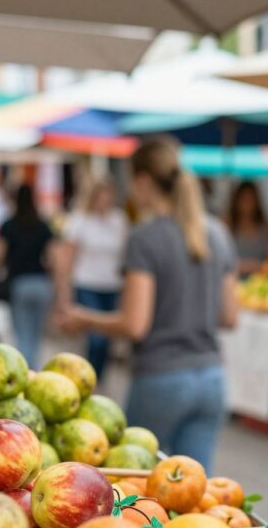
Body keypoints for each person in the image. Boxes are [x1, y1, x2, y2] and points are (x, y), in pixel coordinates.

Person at [56, 138, 238, 472]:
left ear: (142, 181)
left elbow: (135, 324)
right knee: (195, 495)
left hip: (161, 378)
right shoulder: (218, 233)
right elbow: (229, 316)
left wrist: (85, 318)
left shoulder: (145, 237)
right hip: (211, 377)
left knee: (136, 486)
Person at [55, 175, 128, 379]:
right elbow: (66, 259)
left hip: (111, 285)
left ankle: (99, 377)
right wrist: (64, 295)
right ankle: (90, 376)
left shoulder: (119, 220)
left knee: (107, 337)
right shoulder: (79, 221)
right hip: (86, 283)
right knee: (96, 338)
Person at [0, 184, 54, 366]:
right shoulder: (43, 225)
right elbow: (52, 258)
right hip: (41, 283)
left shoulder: (8, 225)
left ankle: (25, 371)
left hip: (19, 283)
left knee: (22, 334)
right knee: (36, 335)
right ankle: (32, 369)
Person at [225, 180, 268, 278]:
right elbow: (222, 261)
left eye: (252, 199)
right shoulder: (227, 226)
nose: (248, 204)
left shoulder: (267, 228)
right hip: (234, 282)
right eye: (244, 199)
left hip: (261, 285)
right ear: (236, 201)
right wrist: (252, 266)